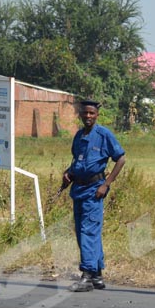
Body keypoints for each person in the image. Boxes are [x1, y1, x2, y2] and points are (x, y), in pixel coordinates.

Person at [63, 100, 126, 292]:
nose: (88, 116)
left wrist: (106, 184)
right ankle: (97, 274)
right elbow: (78, 161)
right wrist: (68, 173)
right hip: (78, 189)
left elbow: (120, 159)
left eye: (92, 113)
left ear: (97, 114)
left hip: (94, 189)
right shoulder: (79, 136)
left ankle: (87, 275)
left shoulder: (103, 134)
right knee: (84, 232)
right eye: (85, 113)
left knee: (88, 231)